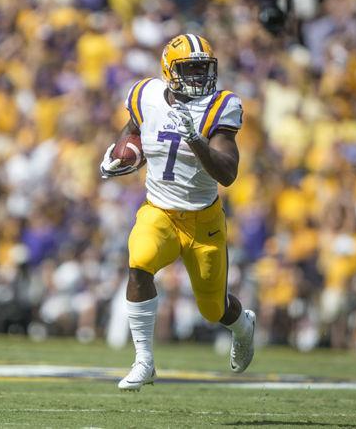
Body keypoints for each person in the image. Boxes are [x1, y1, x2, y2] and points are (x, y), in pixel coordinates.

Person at [100, 34, 256, 391]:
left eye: (204, 69)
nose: (200, 78)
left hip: (204, 221)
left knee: (213, 309)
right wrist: (118, 156)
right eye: (191, 70)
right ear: (169, 71)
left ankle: (242, 325)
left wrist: (197, 140)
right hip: (160, 212)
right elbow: (133, 131)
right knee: (139, 263)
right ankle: (144, 361)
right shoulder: (145, 95)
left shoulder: (221, 106)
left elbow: (227, 173)